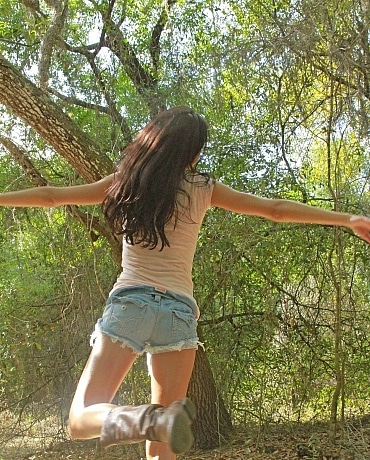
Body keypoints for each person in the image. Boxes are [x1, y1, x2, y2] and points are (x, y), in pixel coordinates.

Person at [1, 106, 370, 460]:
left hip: (131, 305)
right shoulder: (203, 187)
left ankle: (150, 419)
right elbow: (275, 209)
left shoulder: (125, 183)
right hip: (179, 314)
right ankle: (159, 420)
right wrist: (347, 218)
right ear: (192, 153)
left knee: (81, 420)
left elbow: (52, 197)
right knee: (163, 451)